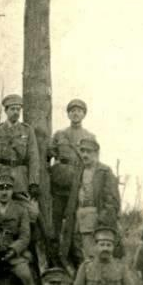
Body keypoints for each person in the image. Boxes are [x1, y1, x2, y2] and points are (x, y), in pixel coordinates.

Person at [60, 137, 121, 266]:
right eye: (82, 151)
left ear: (96, 153)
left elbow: (112, 201)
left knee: (94, 255)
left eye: (89, 152)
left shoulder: (104, 171)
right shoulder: (79, 171)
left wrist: (102, 222)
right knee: (79, 254)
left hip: (95, 220)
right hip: (78, 219)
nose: (85, 155)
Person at [48, 98, 96, 241]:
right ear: (68, 114)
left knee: (75, 219)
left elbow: (94, 162)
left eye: (79, 111)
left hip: (79, 181)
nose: (76, 114)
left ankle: (72, 253)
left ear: (84, 115)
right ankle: (54, 250)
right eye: (72, 111)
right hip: (59, 181)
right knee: (55, 216)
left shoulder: (90, 137)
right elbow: (49, 154)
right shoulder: (59, 135)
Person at [0, 94, 40, 205]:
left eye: (18, 109)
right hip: (0, 176)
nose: (16, 112)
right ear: (6, 111)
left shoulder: (27, 130)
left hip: (20, 178)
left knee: (24, 210)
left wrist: (34, 183)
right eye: (12, 109)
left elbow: (34, 158)